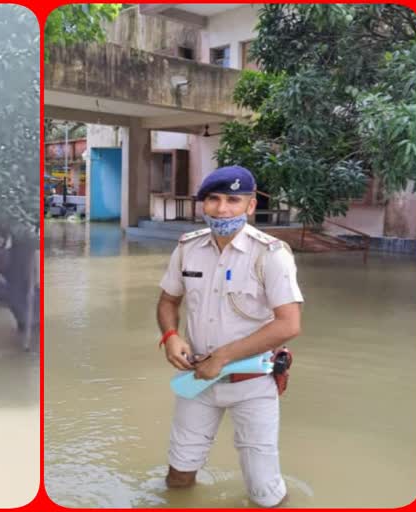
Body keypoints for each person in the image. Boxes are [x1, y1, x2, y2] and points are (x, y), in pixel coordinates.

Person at [156, 165, 304, 507]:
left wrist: (221, 357)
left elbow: (288, 324)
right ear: (203, 204)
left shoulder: (271, 254)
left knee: (264, 493)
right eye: (214, 199)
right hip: (197, 380)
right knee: (178, 475)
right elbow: (167, 300)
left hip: (252, 383)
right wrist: (171, 336)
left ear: (251, 206)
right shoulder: (187, 247)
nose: (222, 209)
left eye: (233, 200)